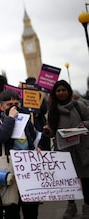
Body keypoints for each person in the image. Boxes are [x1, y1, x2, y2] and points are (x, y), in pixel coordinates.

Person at [0, 89, 39, 219]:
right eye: (9, 104)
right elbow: (1, 136)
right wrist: (10, 118)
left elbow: (31, 139)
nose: (14, 107)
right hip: (10, 172)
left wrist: (35, 149)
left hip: (27, 171)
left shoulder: (25, 120)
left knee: (31, 210)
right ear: (1, 106)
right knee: (12, 211)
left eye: (16, 104)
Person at [44, 80, 89, 219]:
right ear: (55, 93)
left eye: (64, 90)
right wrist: (48, 131)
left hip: (81, 149)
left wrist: (84, 124)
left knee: (86, 179)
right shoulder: (52, 111)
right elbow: (51, 132)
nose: (61, 92)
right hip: (64, 151)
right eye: (58, 90)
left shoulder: (79, 106)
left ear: (68, 91)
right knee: (69, 179)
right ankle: (71, 206)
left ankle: (87, 205)